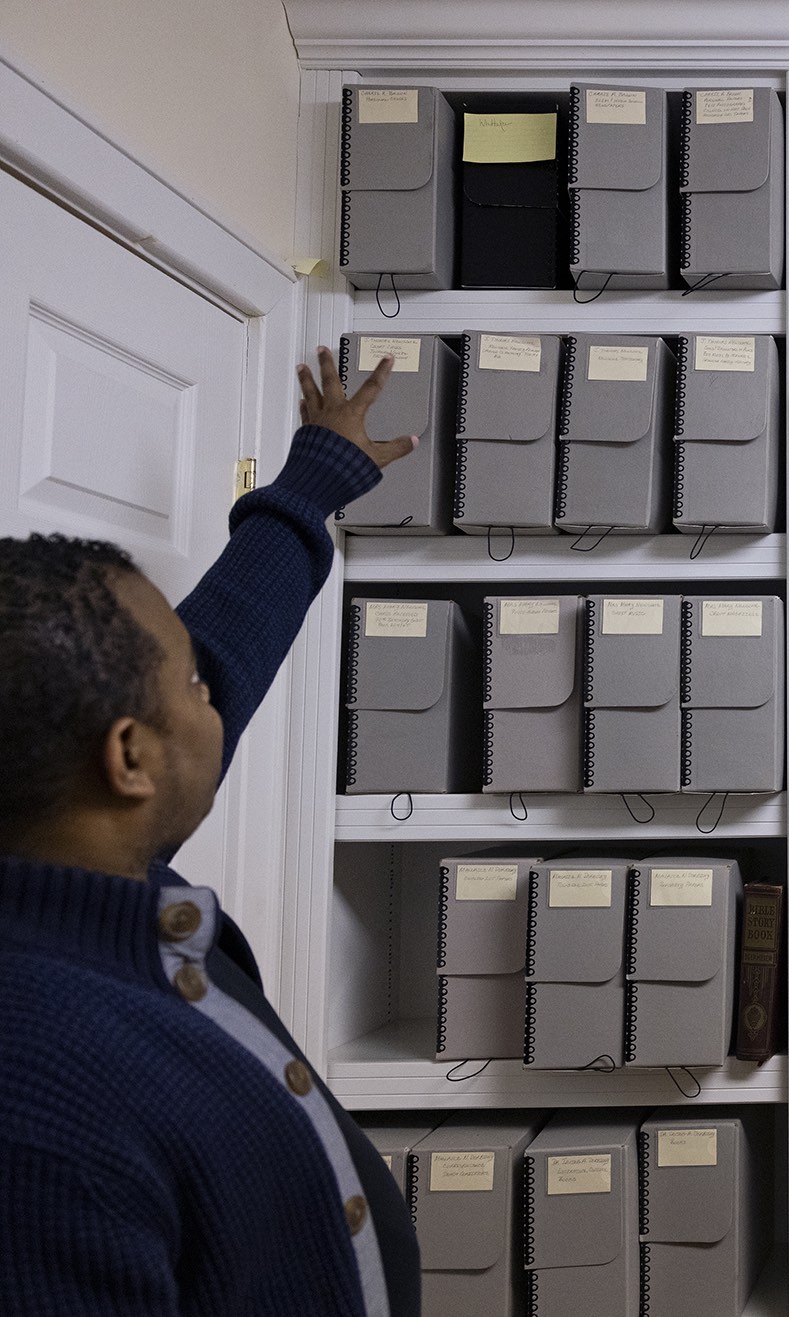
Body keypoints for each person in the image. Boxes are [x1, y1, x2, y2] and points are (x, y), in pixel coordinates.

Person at [0, 350, 418, 1315]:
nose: (215, 704)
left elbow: (227, 644)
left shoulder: (98, 863)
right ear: (129, 759)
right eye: (188, 685)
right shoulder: (36, 1115)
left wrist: (313, 481)